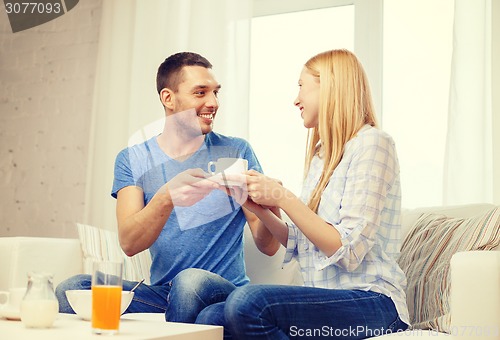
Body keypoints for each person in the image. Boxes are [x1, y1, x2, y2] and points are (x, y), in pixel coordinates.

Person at [55, 52, 280, 323]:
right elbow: (129, 242)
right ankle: (175, 316)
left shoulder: (236, 151)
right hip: (164, 294)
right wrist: (167, 197)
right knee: (72, 289)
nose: (213, 103)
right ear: (168, 98)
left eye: (216, 93)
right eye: (200, 93)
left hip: (221, 292)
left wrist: (270, 203)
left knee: (190, 282)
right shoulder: (133, 159)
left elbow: (267, 245)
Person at [221, 49, 410, 339]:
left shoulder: (373, 144)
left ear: (330, 87)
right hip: (327, 298)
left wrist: (282, 196)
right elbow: (304, 242)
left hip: (374, 303)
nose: (295, 99)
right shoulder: (322, 155)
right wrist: (258, 207)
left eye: (301, 86)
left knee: (247, 304)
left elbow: (347, 251)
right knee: (212, 316)